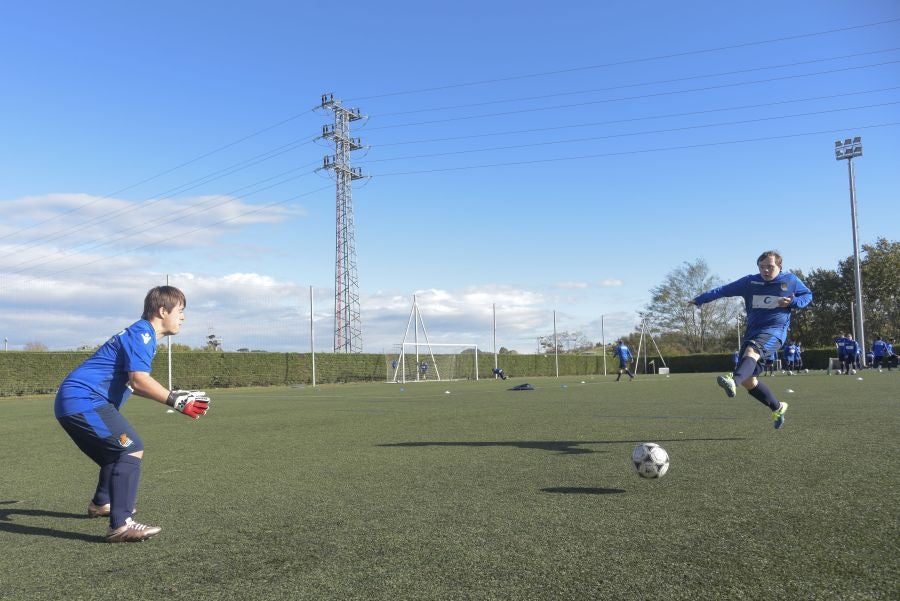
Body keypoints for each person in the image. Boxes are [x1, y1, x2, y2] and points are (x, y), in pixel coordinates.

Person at [54, 286, 210, 543]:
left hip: (77, 400)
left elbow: (133, 384)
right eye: (180, 311)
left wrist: (171, 395)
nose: (183, 317)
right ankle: (121, 525)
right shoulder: (143, 335)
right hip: (83, 400)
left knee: (114, 454)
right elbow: (139, 380)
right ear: (163, 311)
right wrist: (175, 400)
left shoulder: (141, 335)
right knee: (130, 448)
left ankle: (101, 503)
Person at [690, 250, 812, 429]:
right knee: (749, 381)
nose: (765, 270)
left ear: (780, 266)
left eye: (770, 266)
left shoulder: (791, 280)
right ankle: (778, 407)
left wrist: (793, 303)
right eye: (762, 267)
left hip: (775, 331)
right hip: (753, 332)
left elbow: (808, 295)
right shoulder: (750, 282)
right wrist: (701, 299)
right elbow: (724, 290)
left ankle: (733, 381)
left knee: (751, 350)